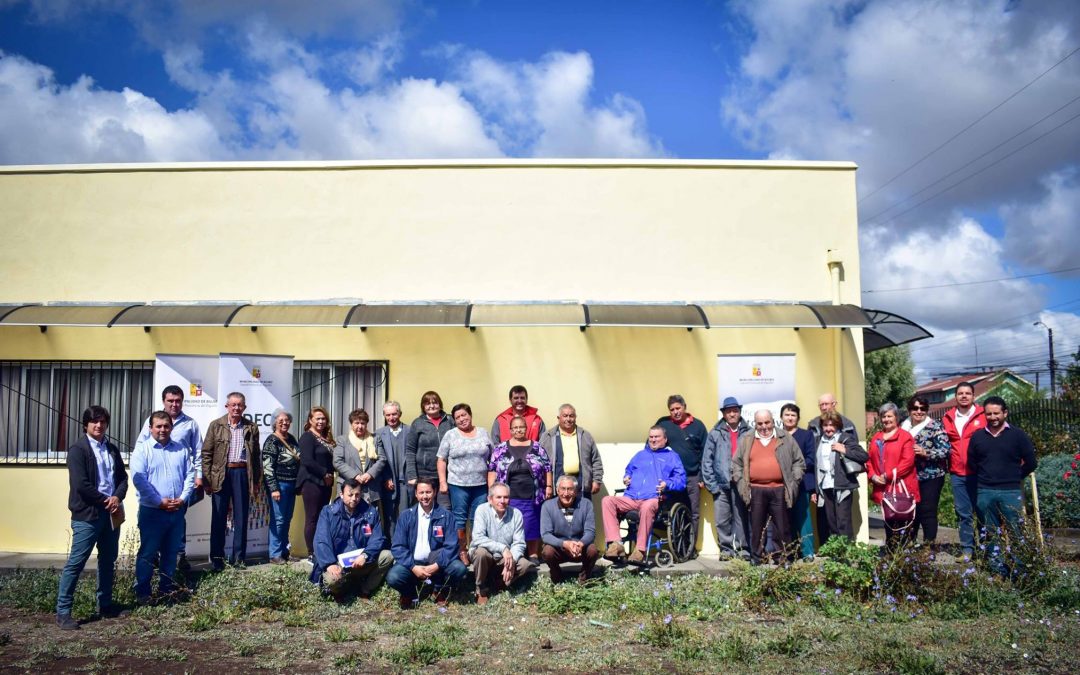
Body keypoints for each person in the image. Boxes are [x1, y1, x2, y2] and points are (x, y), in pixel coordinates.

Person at [56, 405, 129, 630]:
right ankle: (63, 611)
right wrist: (105, 500)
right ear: (86, 424)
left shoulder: (112, 449)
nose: (99, 425)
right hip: (88, 515)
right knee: (76, 563)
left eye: (103, 421)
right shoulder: (78, 449)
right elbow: (81, 485)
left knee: (108, 560)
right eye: (94, 421)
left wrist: (116, 497)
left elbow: (122, 478)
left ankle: (105, 605)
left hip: (111, 514)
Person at [131, 411, 196, 604]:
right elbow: (139, 480)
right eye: (158, 426)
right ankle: (143, 592)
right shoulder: (142, 450)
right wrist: (159, 501)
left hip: (176, 511)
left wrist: (183, 498)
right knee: (148, 553)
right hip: (152, 511)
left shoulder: (181, 450)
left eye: (166, 426)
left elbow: (190, 476)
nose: (162, 430)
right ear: (150, 428)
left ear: (171, 428)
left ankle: (166, 590)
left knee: (170, 552)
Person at [135, 385, 202, 571]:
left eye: (178, 400)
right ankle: (153, 559)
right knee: (151, 529)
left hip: (180, 486)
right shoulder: (152, 421)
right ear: (164, 401)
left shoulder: (190, 423)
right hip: (155, 488)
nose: (174, 404)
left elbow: (198, 452)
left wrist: (199, 476)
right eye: (170, 400)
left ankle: (180, 556)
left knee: (178, 522)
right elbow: (141, 448)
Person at [968, 396, 1037, 575]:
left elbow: (1031, 462)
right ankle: (996, 571)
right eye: (989, 414)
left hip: (1010, 491)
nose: (992, 417)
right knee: (989, 532)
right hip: (985, 491)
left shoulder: (1018, 435)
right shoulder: (977, 437)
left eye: (996, 413)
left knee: (1015, 531)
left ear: (1005, 413)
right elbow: (972, 462)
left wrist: (1014, 477)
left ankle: (1019, 571)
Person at [601, 426, 687, 564]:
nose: (653, 440)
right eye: (651, 437)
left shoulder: (672, 457)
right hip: (631, 497)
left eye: (657, 437)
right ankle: (616, 544)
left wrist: (667, 484)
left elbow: (681, 481)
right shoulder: (640, 455)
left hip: (653, 498)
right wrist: (626, 477)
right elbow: (628, 470)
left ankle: (639, 551)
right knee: (607, 500)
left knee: (647, 506)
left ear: (665, 439)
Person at [732, 410, 805, 565]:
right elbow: (736, 464)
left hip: (779, 489)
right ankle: (757, 559)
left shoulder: (785, 438)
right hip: (755, 490)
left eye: (767, 422)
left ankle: (783, 559)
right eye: (760, 423)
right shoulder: (747, 439)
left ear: (773, 421)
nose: (764, 426)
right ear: (755, 424)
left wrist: (794, 480)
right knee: (757, 528)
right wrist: (740, 482)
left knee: (782, 527)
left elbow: (799, 462)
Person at [387, 479, 468, 609]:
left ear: (435, 492)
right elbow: (398, 547)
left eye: (428, 492)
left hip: (437, 563)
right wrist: (413, 567)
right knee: (393, 577)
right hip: (413, 564)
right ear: (416, 494)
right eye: (421, 492)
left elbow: (451, 546)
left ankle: (439, 590)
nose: (425, 496)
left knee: (459, 569)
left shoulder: (446, 516)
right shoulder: (405, 516)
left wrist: (436, 565)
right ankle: (410, 593)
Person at [202, 392, 261, 571]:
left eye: (240, 405)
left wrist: (256, 480)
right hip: (220, 474)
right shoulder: (216, 425)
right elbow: (206, 454)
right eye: (233, 405)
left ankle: (238, 559)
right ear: (227, 406)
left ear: (244, 408)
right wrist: (207, 479)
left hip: (242, 473)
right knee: (218, 517)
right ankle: (217, 559)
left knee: (241, 517)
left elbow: (256, 456)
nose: (236, 408)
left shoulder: (251, 427)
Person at [310, 478, 394, 600]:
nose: (354, 498)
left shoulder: (370, 512)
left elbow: (378, 539)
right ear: (341, 494)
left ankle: (364, 590)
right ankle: (343, 588)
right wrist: (330, 564)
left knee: (388, 556)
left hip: (361, 561)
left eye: (357, 495)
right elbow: (321, 540)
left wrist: (365, 555)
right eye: (350, 495)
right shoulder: (328, 512)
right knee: (331, 581)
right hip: (338, 562)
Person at [488, 415, 552, 560]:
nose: (518, 430)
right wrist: (491, 491)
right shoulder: (500, 449)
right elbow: (491, 469)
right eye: (515, 427)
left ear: (526, 428)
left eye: (521, 427)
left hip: (533, 493)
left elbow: (548, 467)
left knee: (532, 522)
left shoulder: (537, 447)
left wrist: (548, 486)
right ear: (510, 430)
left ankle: (533, 554)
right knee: (510, 522)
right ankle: (511, 553)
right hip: (509, 494)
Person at [437, 403, 493, 564]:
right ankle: (462, 550)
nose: (462, 419)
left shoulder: (483, 432)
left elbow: (493, 458)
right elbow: (441, 459)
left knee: (478, 519)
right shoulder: (450, 435)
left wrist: (492, 484)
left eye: (464, 415)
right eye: (457, 417)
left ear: (470, 415)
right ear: (454, 420)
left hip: (481, 485)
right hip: (458, 485)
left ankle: (476, 550)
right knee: (459, 519)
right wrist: (442, 482)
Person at [655, 394, 708, 556]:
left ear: (685, 407)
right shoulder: (663, 424)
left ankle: (690, 548)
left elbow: (706, 454)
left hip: (692, 477)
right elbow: (653, 445)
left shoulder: (698, 426)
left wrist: (702, 478)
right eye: (672, 410)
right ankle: (677, 549)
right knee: (673, 514)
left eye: (678, 408)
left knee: (693, 513)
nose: (676, 412)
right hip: (672, 479)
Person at [701, 396, 751, 560]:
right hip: (721, 484)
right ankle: (726, 550)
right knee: (722, 520)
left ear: (739, 412)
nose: (732, 414)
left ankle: (744, 550)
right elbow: (707, 460)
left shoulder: (749, 432)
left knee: (741, 518)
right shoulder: (715, 433)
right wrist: (712, 485)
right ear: (723, 414)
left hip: (741, 483)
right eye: (728, 411)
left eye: (735, 411)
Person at [469, 483, 532, 604]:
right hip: (486, 555)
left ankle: (499, 583)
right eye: (498, 497)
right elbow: (477, 538)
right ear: (490, 499)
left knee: (524, 564)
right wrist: (503, 549)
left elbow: (519, 543)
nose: (502, 501)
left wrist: (511, 561)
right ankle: (481, 588)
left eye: (506, 497)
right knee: (481, 553)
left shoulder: (516, 514)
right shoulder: (482, 510)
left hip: (504, 558)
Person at [942, 382, 985, 557]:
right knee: (963, 514)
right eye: (960, 393)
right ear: (956, 397)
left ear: (973, 396)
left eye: (968, 393)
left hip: (981, 472)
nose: (964, 396)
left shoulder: (983, 415)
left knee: (983, 512)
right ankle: (967, 550)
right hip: (957, 473)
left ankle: (985, 549)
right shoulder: (948, 417)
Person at [902, 395, 952, 547]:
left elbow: (946, 450)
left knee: (927, 510)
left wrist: (926, 452)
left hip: (931, 475)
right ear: (909, 410)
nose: (919, 411)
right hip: (909, 476)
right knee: (910, 510)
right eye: (915, 408)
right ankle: (909, 543)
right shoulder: (902, 426)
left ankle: (928, 546)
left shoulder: (935, 426)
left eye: (922, 408)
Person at [868, 402, 920, 550]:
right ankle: (891, 552)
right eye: (883, 416)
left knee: (903, 523)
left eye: (889, 416)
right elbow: (869, 460)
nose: (886, 419)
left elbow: (907, 462)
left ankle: (903, 555)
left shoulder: (905, 437)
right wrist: (872, 475)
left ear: (896, 417)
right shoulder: (876, 437)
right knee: (888, 522)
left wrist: (888, 476)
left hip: (901, 488)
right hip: (883, 488)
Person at [814, 411, 867, 542]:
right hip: (825, 486)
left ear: (837, 425)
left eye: (831, 425)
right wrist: (815, 490)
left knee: (843, 522)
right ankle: (836, 554)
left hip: (842, 486)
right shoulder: (818, 441)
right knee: (831, 522)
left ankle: (847, 555)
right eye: (825, 425)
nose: (828, 428)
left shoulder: (844, 438)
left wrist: (844, 450)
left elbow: (864, 456)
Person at [540, 475, 599, 584]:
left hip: (579, 548)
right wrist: (564, 544)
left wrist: (581, 544)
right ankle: (557, 576)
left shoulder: (586, 504)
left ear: (576, 491)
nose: (566, 493)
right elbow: (546, 535)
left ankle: (584, 579)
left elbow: (590, 531)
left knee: (593, 550)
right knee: (547, 552)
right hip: (559, 548)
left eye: (570, 489)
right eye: (563, 489)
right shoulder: (547, 506)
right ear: (557, 490)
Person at [538, 403, 604, 500]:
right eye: (565, 416)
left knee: (582, 514)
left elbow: (596, 460)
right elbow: (540, 461)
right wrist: (546, 485)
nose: (568, 419)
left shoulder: (585, 436)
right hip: (556, 486)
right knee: (557, 514)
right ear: (558, 417)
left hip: (581, 486)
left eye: (571, 416)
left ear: (575, 417)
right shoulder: (548, 436)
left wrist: (597, 480)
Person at [261, 408, 300, 564]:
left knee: (287, 519)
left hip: (292, 485)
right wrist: (274, 488)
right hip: (280, 486)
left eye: (287, 420)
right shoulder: (271, 440)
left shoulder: (291, 439)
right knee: (278, 520)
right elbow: (267, 467)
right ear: (275, 422)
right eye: (281, 420)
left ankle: (285, 551)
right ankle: (274, 554)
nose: (285, 423)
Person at [298, 406, 337, 560]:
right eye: (317, 418)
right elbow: (306, 460)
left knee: (322, 517)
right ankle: (311, 553)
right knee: (312, 517)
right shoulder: (307, 437)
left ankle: (321, 550)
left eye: (323, 418)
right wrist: (324, 473)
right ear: (310, 420)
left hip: (325, 484)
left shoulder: (327, 438)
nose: (321, 421)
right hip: (311, 482)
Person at [405, 391, 454, 510]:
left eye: (435, 403)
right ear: (423, 406)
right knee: (425, 509)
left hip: (446, 475)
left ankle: (441, 529)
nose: (431, 406)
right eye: (427, 403)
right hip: (424, 475)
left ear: (440, 404)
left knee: (444, 508)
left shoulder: (450, 421)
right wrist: (412, 475)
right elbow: (410, 450)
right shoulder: (418, 423)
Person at [780, 403, 817, 558]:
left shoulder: (806, 435)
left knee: (803, 518)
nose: (790, 418)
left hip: (801, 483)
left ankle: (807, 552)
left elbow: (810, 458)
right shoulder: (777, 435)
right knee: (786, 519)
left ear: (798, 418)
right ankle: (790, 553)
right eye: (787, 414)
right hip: (781, 484)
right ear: (781, 417)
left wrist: (794, 469)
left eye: (793, 415)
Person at [333, 408, 386, 507]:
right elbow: (337, 461)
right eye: (356, 423)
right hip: (348, 486)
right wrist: (355, 476)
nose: (360, 426)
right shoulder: (342, 440)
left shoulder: (375, 439)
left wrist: (370, 474)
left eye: (363, 423)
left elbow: (382, 459)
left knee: (369, 520)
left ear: (366, 424)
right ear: (351, 424)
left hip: (370, 487)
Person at [375, 400, 409, 536]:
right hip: (388, 482)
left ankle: (406, 546)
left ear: (400, 414)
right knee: (390, 517)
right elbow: (377, 460)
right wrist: (385, 478)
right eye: (388, 415)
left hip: (406, 482)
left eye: (394, 414)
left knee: (406, 515)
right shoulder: (378, 434)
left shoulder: (411, 431)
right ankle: (392, 547)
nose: (391, 418)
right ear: (384, 415)